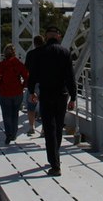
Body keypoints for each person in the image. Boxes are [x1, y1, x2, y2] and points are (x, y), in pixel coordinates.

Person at [27, 26, 76, 176]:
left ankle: (54, 164)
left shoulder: (39, 53)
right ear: (59, 37)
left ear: (46, 37)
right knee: (59, 126)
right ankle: (56, 155)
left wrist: (31, 91)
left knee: (49, 128)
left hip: (46, 94)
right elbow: (70, 77)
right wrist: (73, 97)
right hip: (62, 94)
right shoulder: (65, 52)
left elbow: (33, 74)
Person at [0, 44, 28, 144]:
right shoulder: (19, 64)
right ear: (14, 53)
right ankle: (14, 134)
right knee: (15, 113)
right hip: (17, 92)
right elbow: (26, 76)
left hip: (4, 93)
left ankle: (8, 134)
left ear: (4, 53)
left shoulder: (1, 65)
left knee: (6, 114)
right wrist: (22, 86)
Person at [24, 34, 45, 135]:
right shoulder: (47, 53)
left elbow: (26, 69)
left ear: (34, 43)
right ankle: (44, 130)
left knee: (31, 106)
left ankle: (31, 127)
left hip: (33, 83)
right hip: (45, 83)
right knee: (45, 107)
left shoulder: (30, 54)